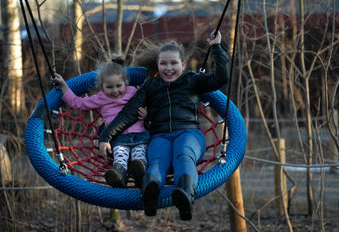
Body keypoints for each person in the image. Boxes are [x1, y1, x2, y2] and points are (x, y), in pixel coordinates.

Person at [98, 31, 229, 220]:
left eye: (174, 63)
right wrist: (106, 137)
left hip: (189, 133)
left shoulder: (192, 80)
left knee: (183, 154)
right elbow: (128, 113)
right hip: (160, 136)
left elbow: (221, 78)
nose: (169, 68)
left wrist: (216, 47)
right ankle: (150, 195)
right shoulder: (150, 86)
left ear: (183, 65)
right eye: (164, 63)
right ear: (157, 65)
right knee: (158, 160)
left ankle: (184, 194)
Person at [53, 55, 150, 188]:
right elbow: (78, 103)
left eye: (118, 86)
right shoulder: (101, 98)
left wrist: (147, 114)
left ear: (126, 83)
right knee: (120, 156)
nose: (115, 90)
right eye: (109, 87)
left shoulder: (133, 92)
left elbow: (150, 102)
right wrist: (64, 86)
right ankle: (118, 176)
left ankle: (140, 173)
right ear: (102, 86)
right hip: (117, 138)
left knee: (139, 155)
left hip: (139, 135)